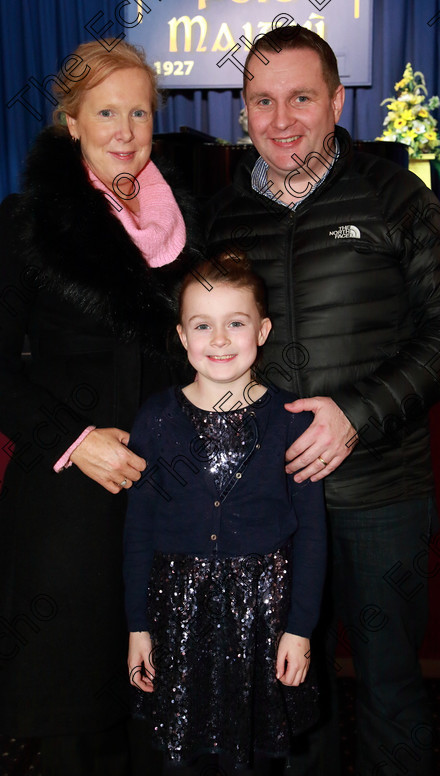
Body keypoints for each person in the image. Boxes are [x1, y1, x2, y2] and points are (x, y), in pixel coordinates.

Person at [206, 27, 440, 775]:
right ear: (244, 110)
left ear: (336, 102)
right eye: (262, 101)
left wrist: (355, 414)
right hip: (272, 504)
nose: (282, 119)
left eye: (302, 97)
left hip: (380, 497)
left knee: (391, 694)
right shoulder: (223, 215)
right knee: (292, 695)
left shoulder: (396, 194)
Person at [0, 39, 198, 776]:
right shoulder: (29, 220)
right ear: (71, 122)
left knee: (164, 716)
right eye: (105, 111)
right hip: (71, 505)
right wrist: (78, 440)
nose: (124, 130)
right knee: (80, 721)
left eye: (138, 112)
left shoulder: (183, 219)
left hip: (171, 502)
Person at [123, 253, 327, 775]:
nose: (219, 339)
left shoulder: (291, 423)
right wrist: (138, 627)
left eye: (235, 323)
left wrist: (300, 630)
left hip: (264, 619)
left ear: (262, 331)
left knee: (255, 757)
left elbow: (311, 537)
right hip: (179, 617)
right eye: (202, 325)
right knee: (182, 756)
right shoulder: (156, 418)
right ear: (181, 335)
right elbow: (138, 532)